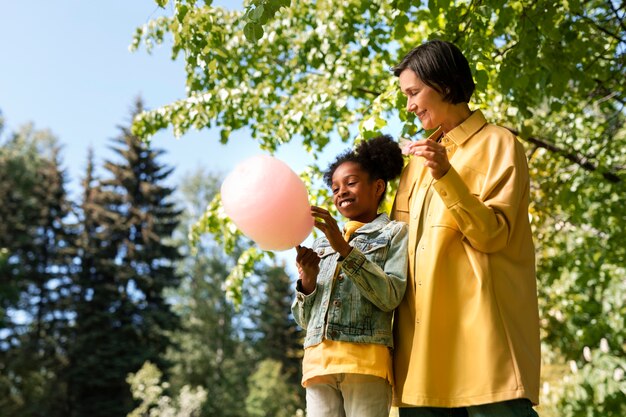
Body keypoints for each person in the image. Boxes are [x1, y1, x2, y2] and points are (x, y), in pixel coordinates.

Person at [390, 39, 541, 416]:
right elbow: (394, 249)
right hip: (419, 360)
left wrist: (445, 174)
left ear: (443, 84)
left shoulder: (499, 144)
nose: (408, 105)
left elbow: (492, 235)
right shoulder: (414, 168)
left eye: (413, 92)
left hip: (484, 354)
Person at [291, 134, 409, 417]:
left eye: (351, 183)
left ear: (378, 187)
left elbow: (390, 296)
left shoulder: (394, 233)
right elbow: (303, 320)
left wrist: (344, 250)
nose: (341, 191)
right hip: (318, 365)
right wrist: (307, 281)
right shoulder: (321, 243)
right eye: (335, 188)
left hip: (366, 363)